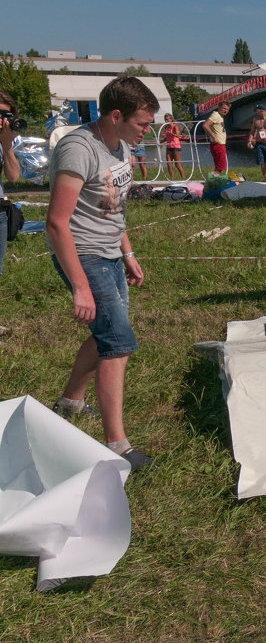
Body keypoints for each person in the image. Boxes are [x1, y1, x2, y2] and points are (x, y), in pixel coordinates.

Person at [45, 77, 159, 471]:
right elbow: (57, 223)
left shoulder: (122, 145)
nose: (147, 132)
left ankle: (70, 403)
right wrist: (80, 286)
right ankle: (117, 446)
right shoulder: (78, 149)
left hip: (110, 252)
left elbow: (115, 207)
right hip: (83, 255)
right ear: (116, 116)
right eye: (142, 124)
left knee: (108, 333)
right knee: (118, 343)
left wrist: (128, 252)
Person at [1, 91, 23, 311]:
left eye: (7, 115)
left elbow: (13, 176)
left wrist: (6, 145)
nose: (5, 120)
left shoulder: (3, 142)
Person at [202, 101, 231, 173]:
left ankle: (214, 180)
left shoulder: (220, 117)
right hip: (218, 144)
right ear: (219, 107)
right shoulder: (216, 115)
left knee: (218, 166)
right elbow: (205, 125)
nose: (226, 111)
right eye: (224, 108)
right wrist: (214, 137)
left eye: (227, 109)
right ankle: (216, 181)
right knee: (220, 167)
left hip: (220, 144)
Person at [161, 113, 187, 180]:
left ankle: (183, 178)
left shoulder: (175, 126)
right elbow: (167, 137)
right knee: (169, 163)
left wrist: (172, 134)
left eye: (167, 119)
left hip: (176, 146)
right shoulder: (166, 127)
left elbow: (178, 136)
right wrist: (161, 142)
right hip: (169, 146)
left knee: (177, 164)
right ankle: (172, 178)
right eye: (165, 120)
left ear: (171, 119)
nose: (166, 121)